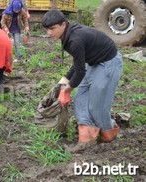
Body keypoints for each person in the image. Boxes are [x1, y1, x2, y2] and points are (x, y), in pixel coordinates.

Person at [42, 10, 123, 151]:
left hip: (108, 63)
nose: (49, 33)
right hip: (94, 63)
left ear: (63, 24)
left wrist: (67, 89)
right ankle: (87, 139)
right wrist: (64, 80)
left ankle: (109, 133)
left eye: (52, 28)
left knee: (97, 106)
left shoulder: (75, 40)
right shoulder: (67, 35)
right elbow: (78, 63)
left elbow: (80, 72)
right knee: (80, 99)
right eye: (47, 29)